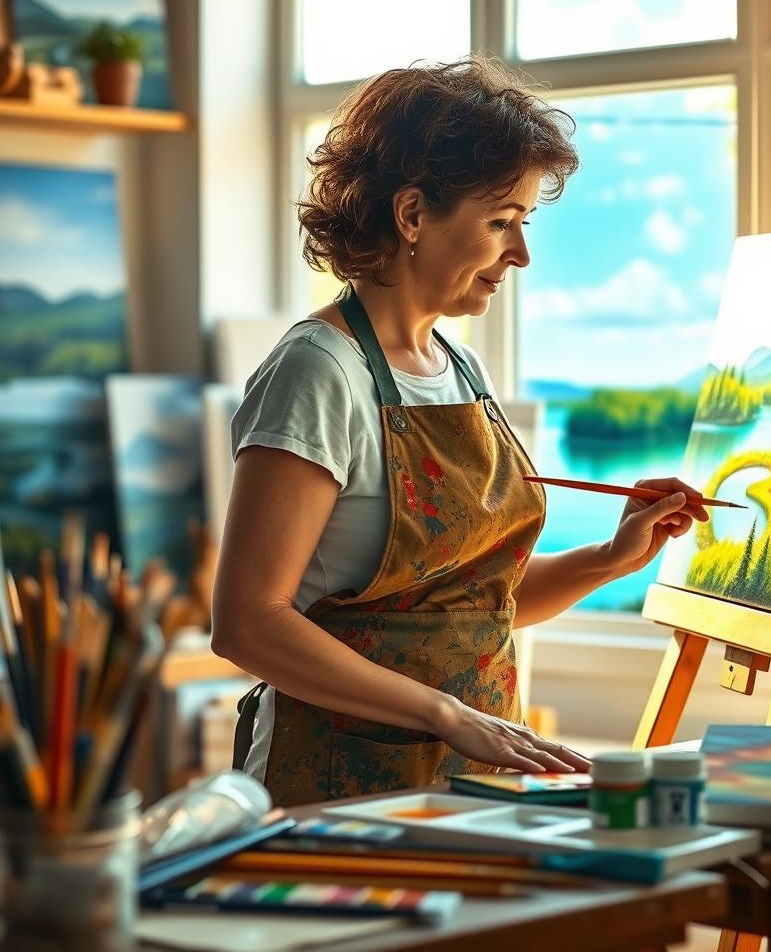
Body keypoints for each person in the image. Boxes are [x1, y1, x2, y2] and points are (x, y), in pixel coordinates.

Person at [212, 56, 708, 808]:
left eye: (524, 224)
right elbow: (247, 623)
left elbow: (477, 606)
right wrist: (448, 714)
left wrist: (611, 558)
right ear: (412, 215)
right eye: (501, 222)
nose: (522, 254)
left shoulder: (461, 368)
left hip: (472, 783)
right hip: (338, 789)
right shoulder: (318, 372)